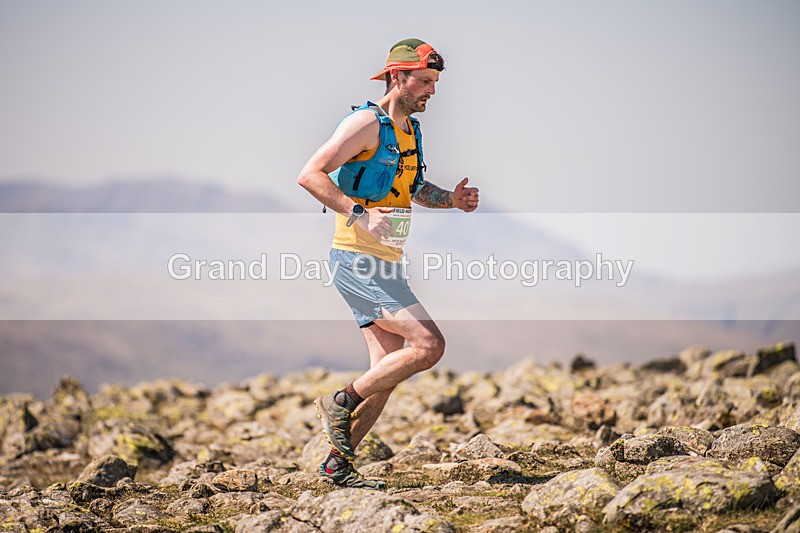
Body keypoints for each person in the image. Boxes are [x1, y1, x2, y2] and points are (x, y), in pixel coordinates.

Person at [297, 38, 480, 490]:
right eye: (424, 81)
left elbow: (414, 190)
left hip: (387, 262)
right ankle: (340, 402)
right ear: (397, 77)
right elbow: (310, 174)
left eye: (434, 83)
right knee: (429, 346)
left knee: (388, 369)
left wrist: (451, 200)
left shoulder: (410, 131)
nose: (431, 91)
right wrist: (359, 213)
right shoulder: (366, 123)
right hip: (357, 259)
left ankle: (337, 466)